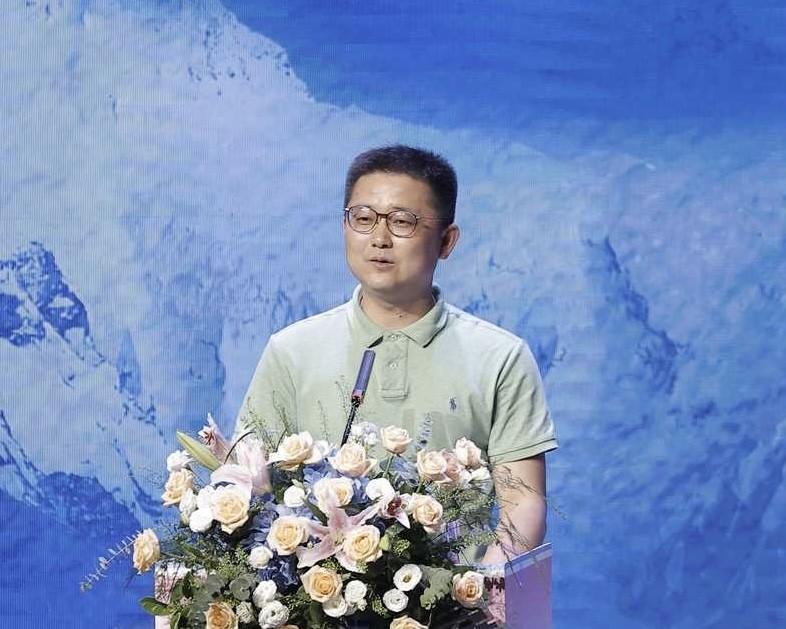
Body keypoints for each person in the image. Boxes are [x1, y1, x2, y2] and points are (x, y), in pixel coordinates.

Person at [233, 144, 558, 568]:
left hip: (457, 595)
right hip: (312, 591)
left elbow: (523, 502)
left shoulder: (501, 357)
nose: (379, 238)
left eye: (402, 221)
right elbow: (246, 484)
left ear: (446, 241)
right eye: (363, 218)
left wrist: (486, 588)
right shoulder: (292, 350)